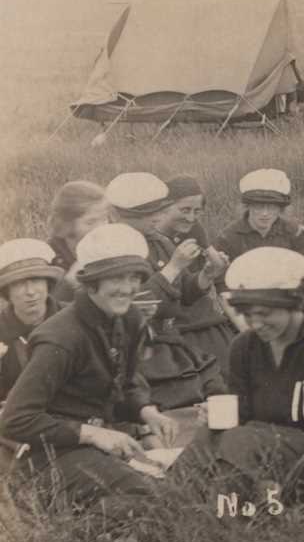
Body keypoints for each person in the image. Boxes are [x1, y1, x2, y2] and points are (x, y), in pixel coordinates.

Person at [0, 224, 178, 512]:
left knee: (181, 483)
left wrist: (146, 411)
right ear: (92, 283)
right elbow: (15, 419)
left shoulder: (129, 318)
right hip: (52, 454)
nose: (127, 288)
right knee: (147, 499)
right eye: (116, 278)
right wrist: (93, 434)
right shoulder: (60, 337)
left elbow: (126, 382)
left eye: (134, 277)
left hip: (103, 441)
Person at [172, 248, 304, 497]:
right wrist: (217, 419)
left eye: (265, 314)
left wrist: (288, 488)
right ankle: (165, 508)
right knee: (208, 435)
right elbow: (241, 415)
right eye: (247, 315)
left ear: (293, 305)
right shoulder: (244, 346)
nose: (255, 324)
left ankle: (227, 519)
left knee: (240, 440)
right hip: (254, 448)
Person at [106, 173, 226, 410]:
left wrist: (206, 276)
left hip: (170, 339)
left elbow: (182, 294)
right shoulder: (111, 247)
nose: (158, 218)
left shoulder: (160, 242)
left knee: (219, 383)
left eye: (160, 211)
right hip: (139, 345)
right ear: (121, 216)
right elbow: (133, 306)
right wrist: (173, 267)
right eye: (149, 214)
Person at [159, 175, 237, 378]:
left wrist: (215, 266)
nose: (191, 217)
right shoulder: (152, 237)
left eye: (197, 211)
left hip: (196, 305)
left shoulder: (193, 228)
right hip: (170, 316)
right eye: (184, 210)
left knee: (228, 365)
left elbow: (214, 263)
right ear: (165, 207)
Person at [212, 168, 304, 304]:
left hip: (287, 303)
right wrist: (241, 322)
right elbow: (223, 287)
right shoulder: (228, 237)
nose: (265, 213)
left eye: (271, 207)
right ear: (247, 206)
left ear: (280, 209)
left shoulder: (293, 232)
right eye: (258, 207)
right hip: (245, 306)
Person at [0, 240, 65, 401]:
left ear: (47, 283)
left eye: (36, 281)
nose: (30, 292)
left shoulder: (73, 318)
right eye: (19, 284)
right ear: (7, 291)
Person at [45, 180, 109, 303]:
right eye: (91, 222)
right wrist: (69, 284)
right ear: (66, 224)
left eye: (105, 218)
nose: (101, 228)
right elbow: (43, 314)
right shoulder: (47, 258)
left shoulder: (110, 246)